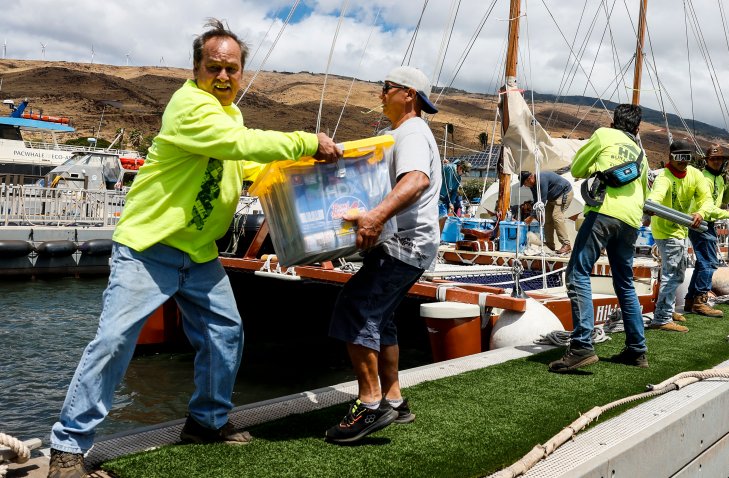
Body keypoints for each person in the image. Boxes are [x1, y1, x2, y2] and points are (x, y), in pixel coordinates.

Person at [47, 19, 342, 478]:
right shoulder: (189, 106)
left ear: (241, 72)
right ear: (196, 69)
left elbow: (241, 160)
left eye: (231, 69)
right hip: (149, 248)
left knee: (226, 334)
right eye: (214, 68)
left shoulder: (232, 114)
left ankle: (206, 422)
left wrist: (296, 169)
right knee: (113, 342)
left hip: (199, 252)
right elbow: (235, 144)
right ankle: (67, 449)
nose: (223, 77)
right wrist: (307, 140)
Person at [325, 65, 441, 443]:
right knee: (382, 317)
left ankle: (370, 405)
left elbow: (416, 180)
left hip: (405, 243)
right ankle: (393, 399)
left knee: (355, 308)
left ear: (408, 94)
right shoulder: (399, 133)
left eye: (386, 87)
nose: (380, 94)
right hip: (406, 242)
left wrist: (374, 216)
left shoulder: (410, 132)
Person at [548, 104, 649, 372]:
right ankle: (637, 350)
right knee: (625, 283)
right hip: (631, 220)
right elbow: (645, 193)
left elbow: (579, 168)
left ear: (614, 122)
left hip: (603, 212)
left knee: (577, 272)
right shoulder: (641, 153)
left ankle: (582, 346)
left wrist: (597, 166)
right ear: (637, 129)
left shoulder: (604, 135)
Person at [645, 140, 712, 333]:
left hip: (682, 228)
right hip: (666, 231)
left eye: (687, 157)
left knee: (676, 273)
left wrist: (701, 213)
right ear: (670, 157)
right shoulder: (663, 177)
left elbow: (706, 199)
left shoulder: (695, 174)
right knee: (673, 274)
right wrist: (651, 206)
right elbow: (655, 197)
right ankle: (662, 318)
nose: (683, 162)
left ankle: (669, 310)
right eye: (679, 157)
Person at [684, 145, 729, 317]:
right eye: (713, 159)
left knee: (703, 262)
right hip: (700, 221)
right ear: (707, 160)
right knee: (709, 262)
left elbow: (723, 199)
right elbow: (706, 206)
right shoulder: (705, 178)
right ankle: (700, 300)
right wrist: (727, 214)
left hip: (707, 222)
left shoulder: (719, 178)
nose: (717, 161)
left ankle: (690, 300)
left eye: (720, 159)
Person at [519, 170, 574, 254]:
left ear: (529, 178)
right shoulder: (532, 185)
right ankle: (550, 244)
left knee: (556, 217)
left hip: (564, 193)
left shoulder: (541, 179)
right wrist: (536, 214)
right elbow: (536, 200)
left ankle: (566, 244)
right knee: (547, 219)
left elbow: (542, 200)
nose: (525, 186)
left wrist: (531, 217)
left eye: (525, 183)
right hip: (553, 198)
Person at [439, 159, 470, 230]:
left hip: (446, 200)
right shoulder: (449, 168)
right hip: (438, 197)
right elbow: (447, 186)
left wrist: (451, 202)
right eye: (463, 172)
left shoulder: (458, 178)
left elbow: (454, 191)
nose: (462, 174)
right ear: (460, 168)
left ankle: (439, 238)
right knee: (441, 217)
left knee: (443, 219)